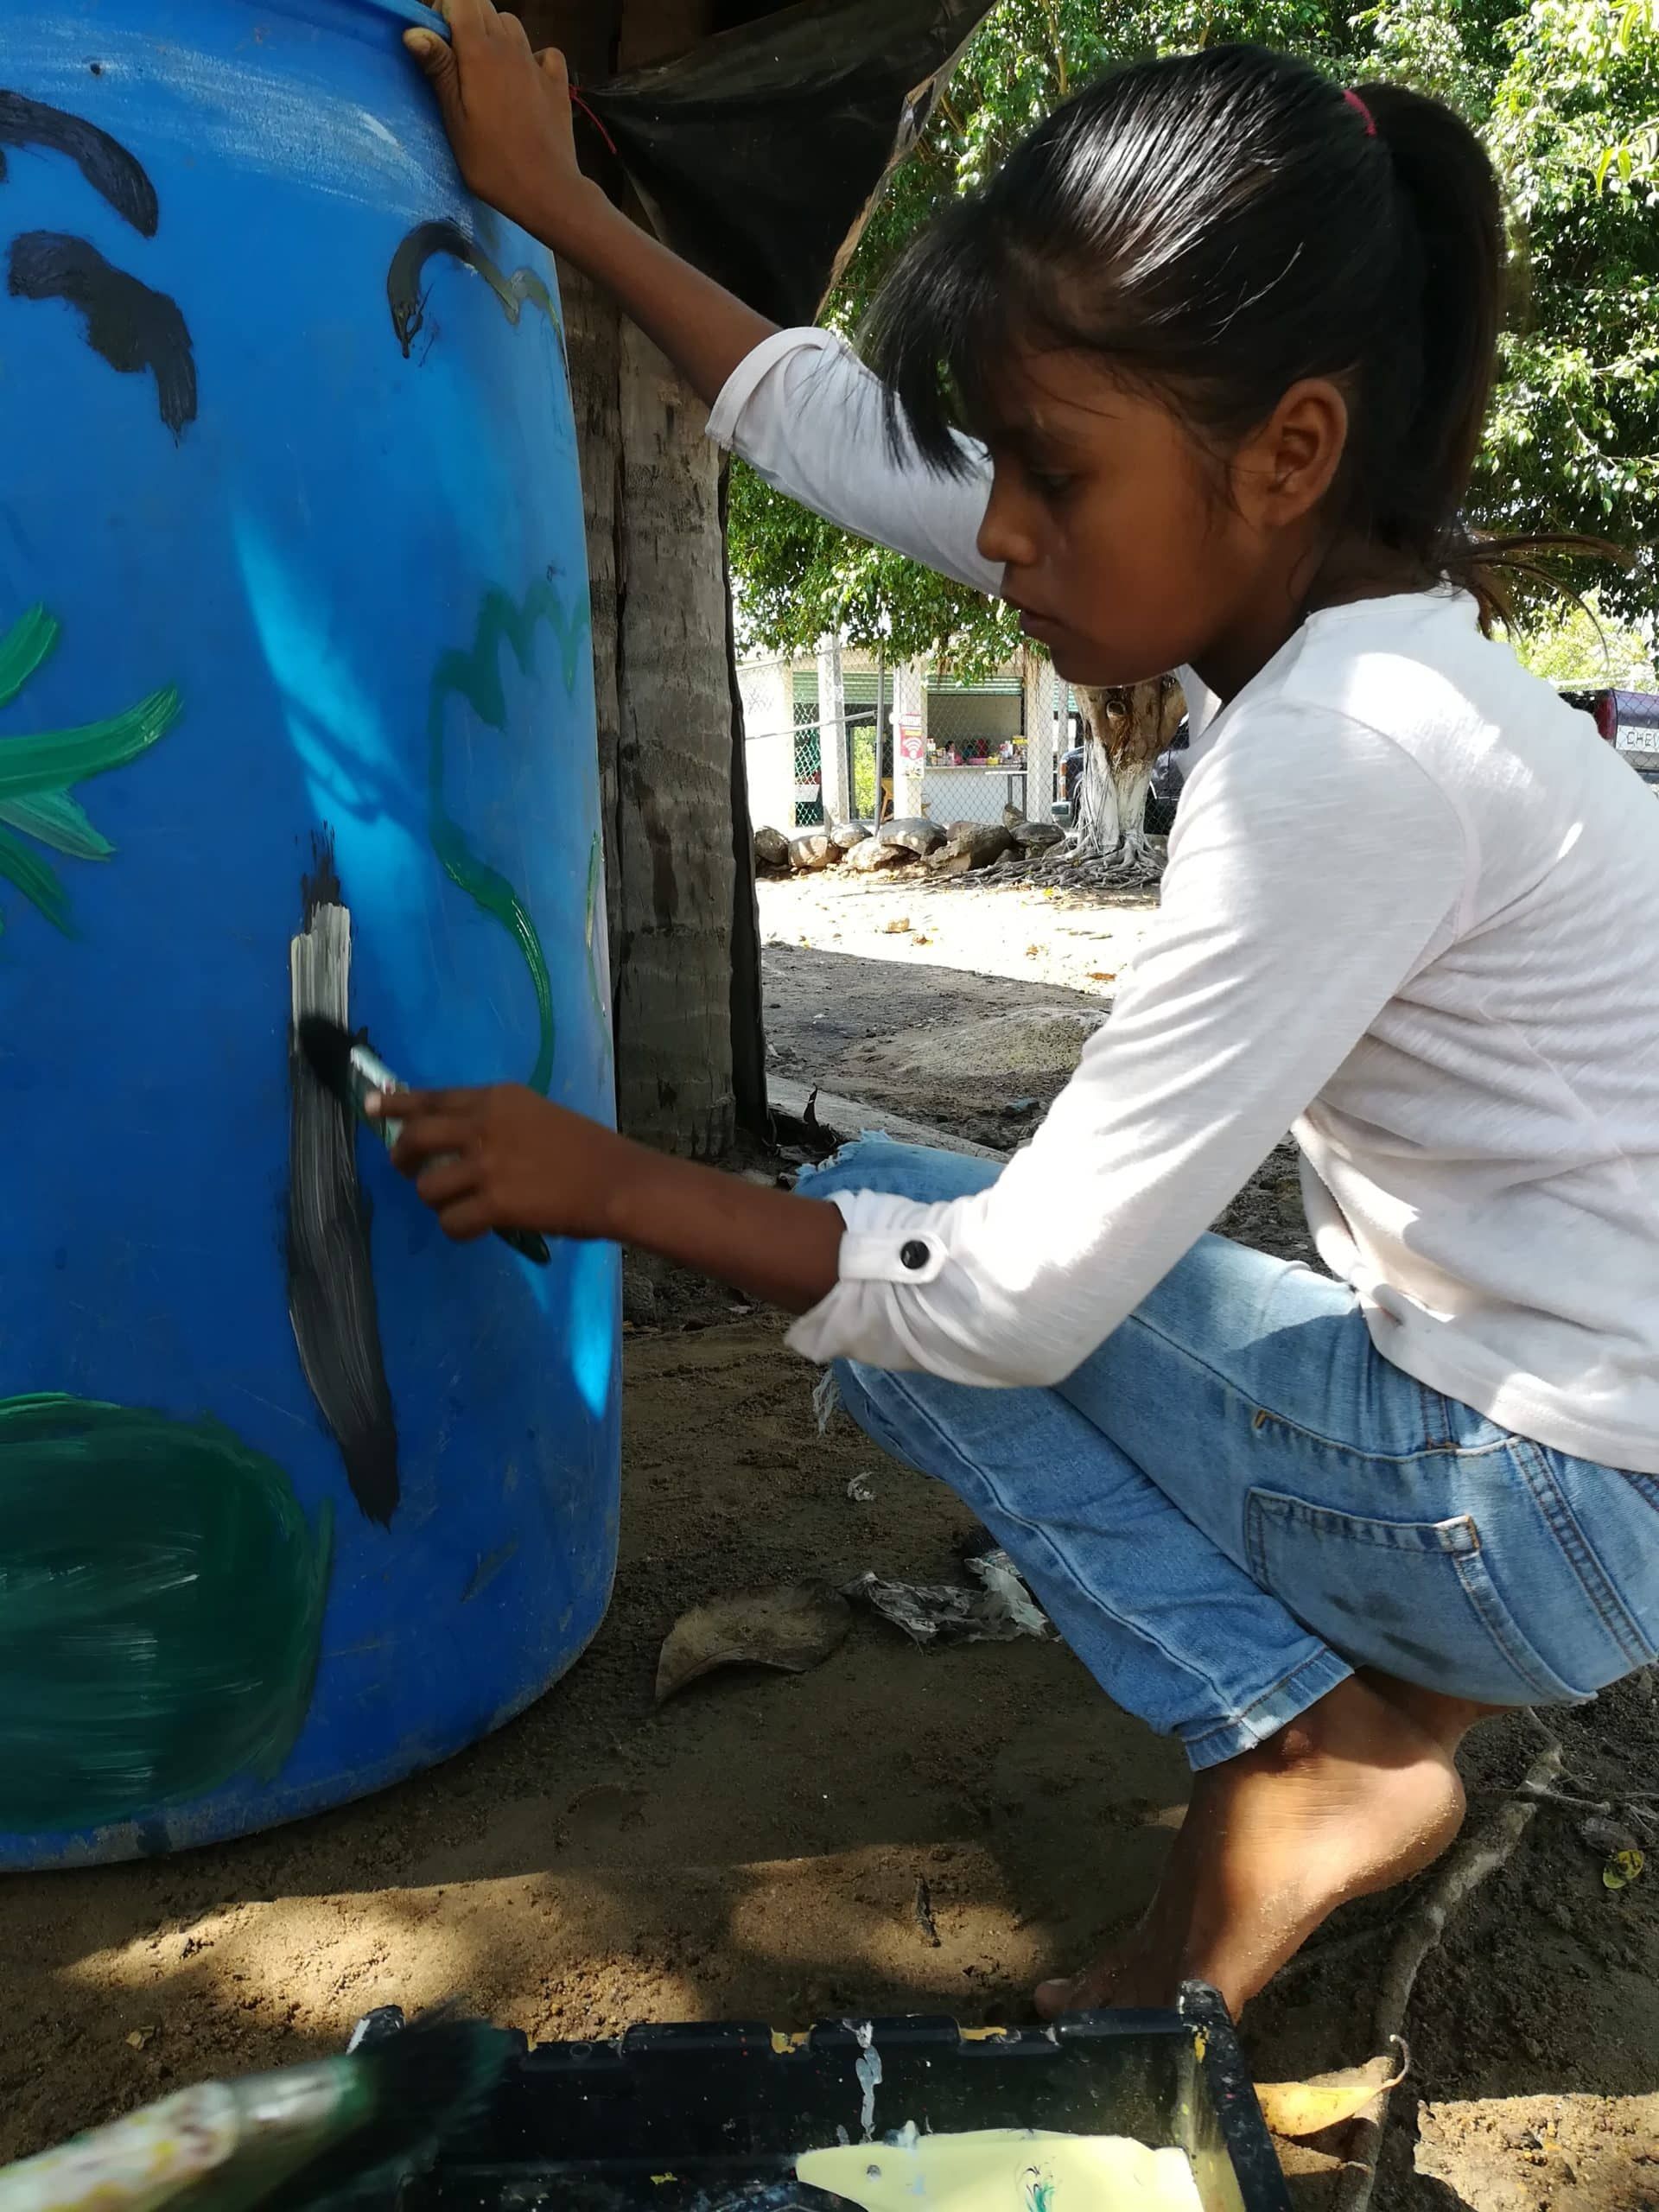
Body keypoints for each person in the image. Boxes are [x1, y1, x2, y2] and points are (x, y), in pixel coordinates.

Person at [391, 0, 1659, 2018]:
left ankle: (1303, 1744)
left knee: (896, 1251)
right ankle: (1354, 1709)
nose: (997, 535)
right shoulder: (1378, 638)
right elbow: (838, 429)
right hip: (1590, 1467)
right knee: (906, 1229)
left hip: (1552, 1510)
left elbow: (1011, 1306)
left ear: (1294, 448)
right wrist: (556, 205)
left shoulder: (1339, 756)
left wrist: (617, 1180)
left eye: (1048, 476)